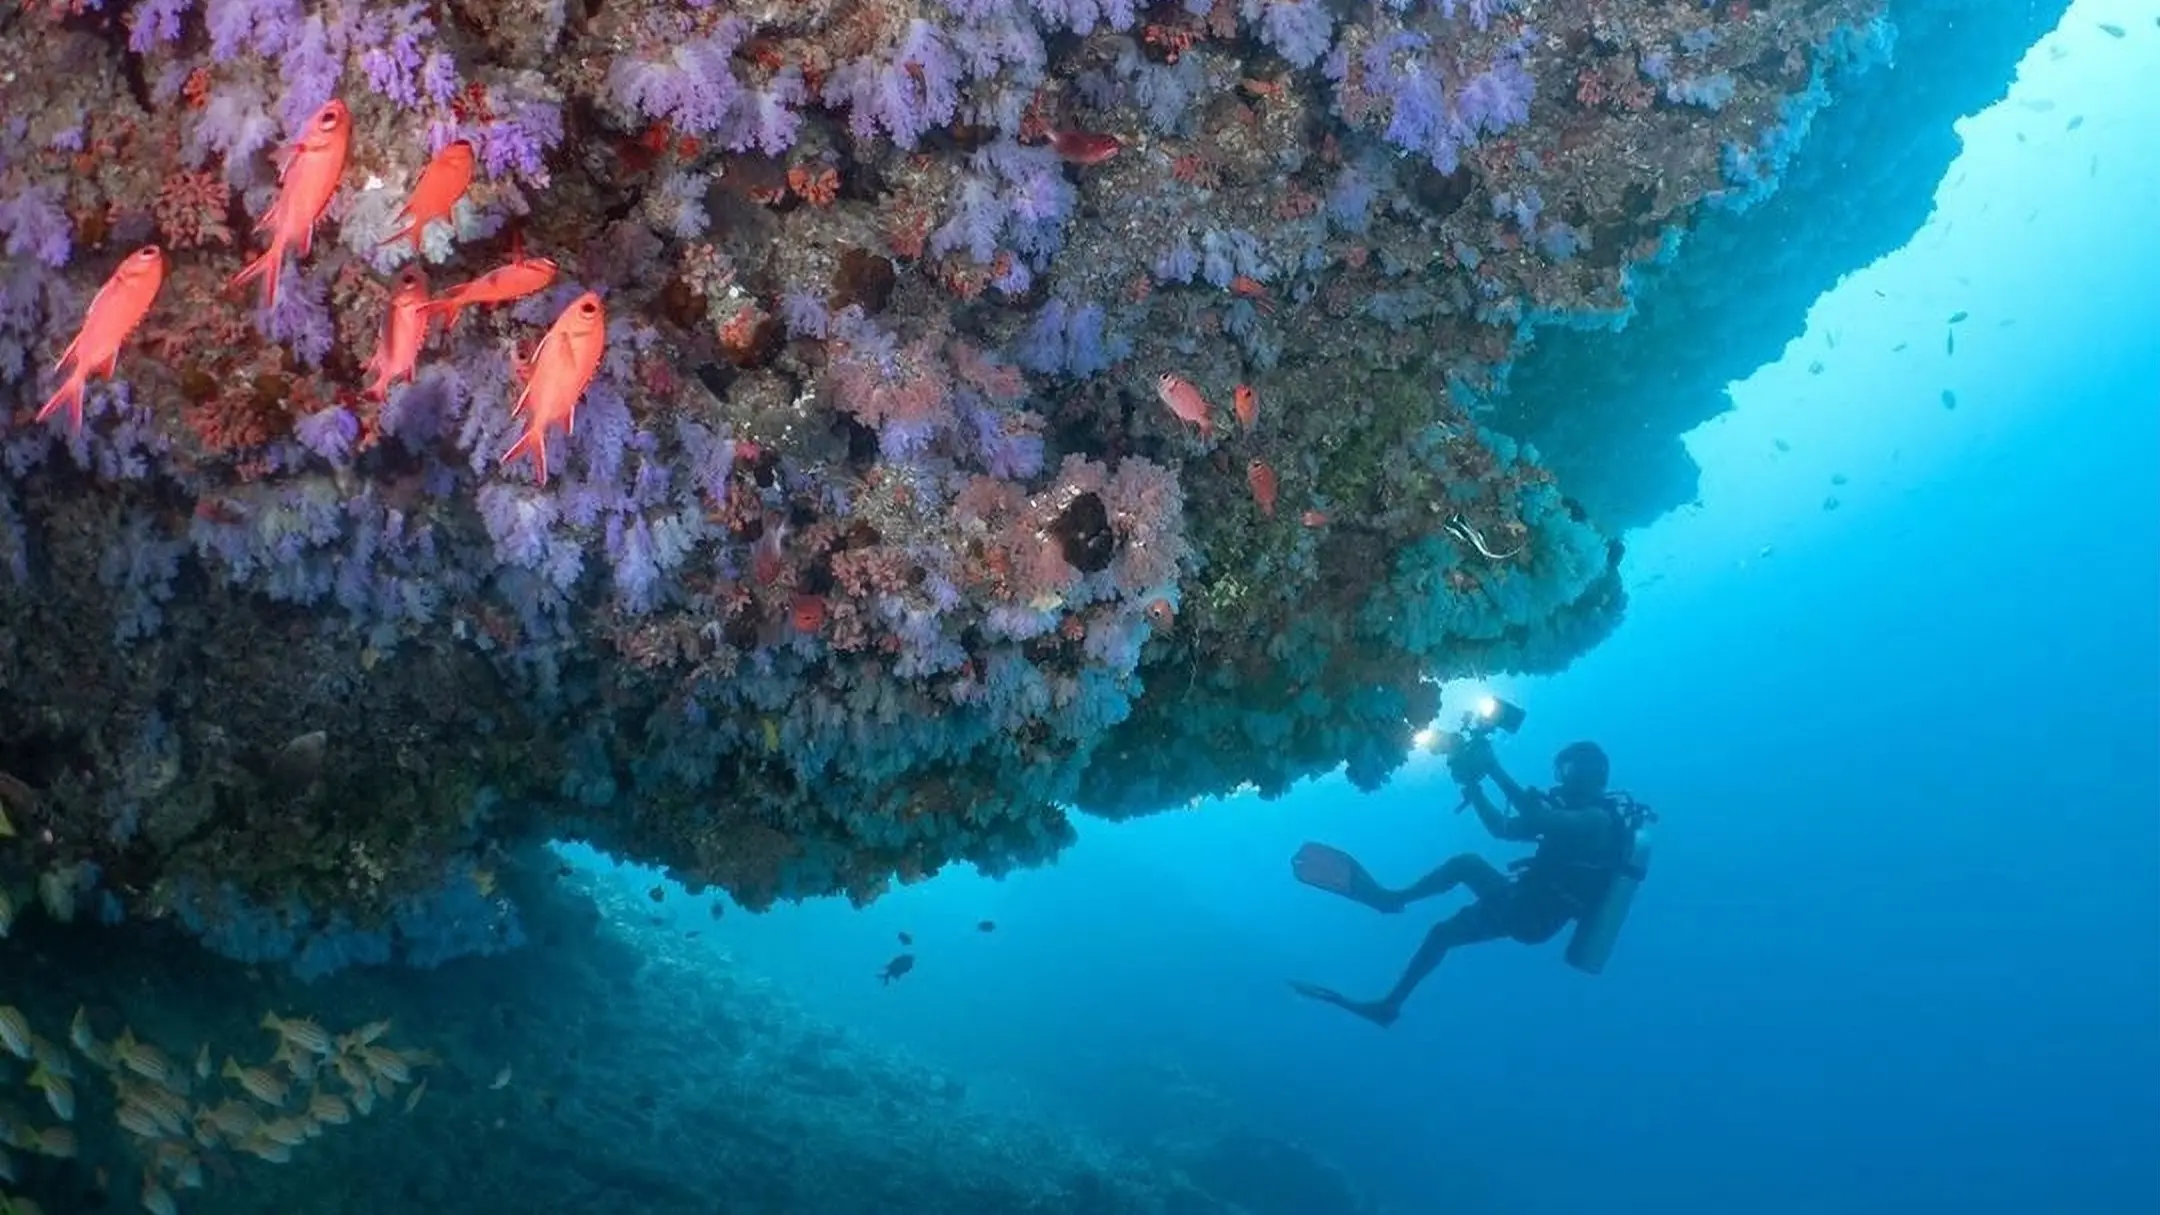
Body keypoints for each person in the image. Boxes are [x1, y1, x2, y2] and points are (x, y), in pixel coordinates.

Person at [1288, 734, 1635, 1027]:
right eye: (1561, 770)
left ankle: (1391, 900)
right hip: (1523, 902)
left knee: (1466, 866)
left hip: (1532, 916)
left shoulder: (1596, 820)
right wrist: (1475, 787)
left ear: (1592, 774)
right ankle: (1388, 1007)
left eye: (1569, 770)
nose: (1561, 779)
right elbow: (1502, 829)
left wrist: (1492, 766)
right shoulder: (1571, 816)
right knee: (1442, 933)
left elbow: (1535, 816)